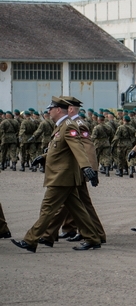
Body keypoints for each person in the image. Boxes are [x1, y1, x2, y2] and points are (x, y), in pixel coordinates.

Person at [12, 97, 101, 252]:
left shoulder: (68, 126)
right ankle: (93, 238)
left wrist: (86, 166)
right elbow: (60, 150)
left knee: (48, 208)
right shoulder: (60, 126)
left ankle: (30, 240)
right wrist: (44, 157)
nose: (48, 111)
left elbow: (78, 148)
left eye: (50, 109)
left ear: (58, 110)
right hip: (63, 176)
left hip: (62, 177)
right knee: (78, 209)